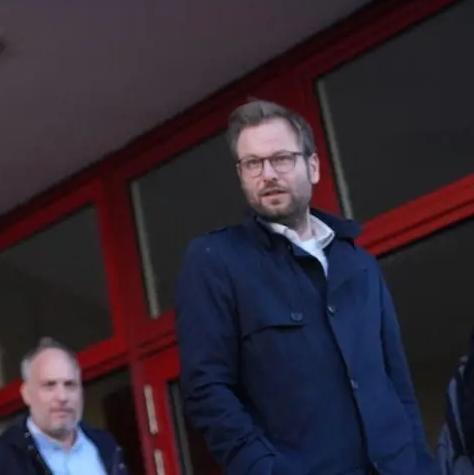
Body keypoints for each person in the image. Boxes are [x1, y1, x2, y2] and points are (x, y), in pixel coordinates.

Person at [175, 99, 434, 475]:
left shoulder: (359, 265)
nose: (267, 174)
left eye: (280, 158)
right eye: (253, 164)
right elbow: (205, 390)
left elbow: (398, 386)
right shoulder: (215, 261)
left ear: (312, 167)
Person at [0, 339, 129, 475]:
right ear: (27, 394)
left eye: (70, 385)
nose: (62, 397)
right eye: (49, 385)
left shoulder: (105, 445)